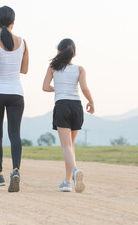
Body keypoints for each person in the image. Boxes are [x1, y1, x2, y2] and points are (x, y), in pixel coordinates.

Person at [0, 6, 29, 192]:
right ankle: (16, 170)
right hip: (16, 93)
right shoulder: (24, 42)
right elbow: (24, 70)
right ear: (13, 22)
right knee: (15, 134)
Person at [42, 38, 94, 193]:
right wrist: (91, 101)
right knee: (70, 146)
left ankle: (76, 172)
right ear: (74, 54)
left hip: (62, 105)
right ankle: (67, 182)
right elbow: (84, 88)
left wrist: (57, 88)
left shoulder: (53, 68)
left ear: (58, 51)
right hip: (76, 106)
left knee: (66, 146)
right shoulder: (80, 69)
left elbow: (45, 87)